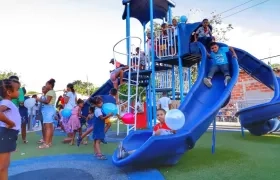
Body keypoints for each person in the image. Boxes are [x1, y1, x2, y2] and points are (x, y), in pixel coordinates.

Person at [0, 79, 21, 180]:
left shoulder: (8, 103)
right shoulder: (6, 103)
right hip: (6, 133)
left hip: (8, 134)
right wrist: (10, 123)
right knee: (2, 166)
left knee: (5, 165)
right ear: (9, 92)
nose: (19, 92)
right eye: (17, 89)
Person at [36, 78, 57, 149]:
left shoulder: (50, 92)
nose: (45, 85)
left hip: (48, 110)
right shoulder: (51, 92)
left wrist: (39, 99)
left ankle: (46, 143)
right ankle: (49, 142)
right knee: (50, 127)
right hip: (49, 110)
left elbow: (47, 101)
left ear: (50, 85)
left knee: (48, 127)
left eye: (46, 84)